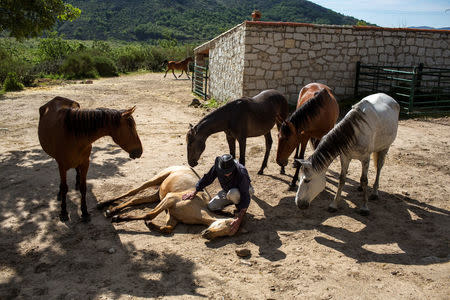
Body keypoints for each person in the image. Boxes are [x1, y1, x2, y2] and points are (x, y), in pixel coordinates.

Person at [182, 154, 254, 235]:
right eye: (224, 172)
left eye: (229, 172)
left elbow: (245, 195)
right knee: (211, 207)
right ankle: (230, 213)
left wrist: (240, 217)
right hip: (227, 191)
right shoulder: (218, 166)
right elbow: (208, 178)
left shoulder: (241, 171)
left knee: (233, 193)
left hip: (245, 190)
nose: (226, 174)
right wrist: (195, 191)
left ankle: (238, 211)